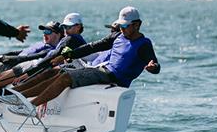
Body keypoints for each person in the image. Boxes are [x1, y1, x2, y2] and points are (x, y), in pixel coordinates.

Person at [12, 6, 160, 107]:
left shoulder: (144, 44)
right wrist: (68, 55)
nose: (122, 29)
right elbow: (92, 47)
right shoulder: (118, 37)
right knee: (57, 72)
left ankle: (30, 107)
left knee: (65, 78)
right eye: (121, 25)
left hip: (115, 78)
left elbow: (155, 66)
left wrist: (152, 67)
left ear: (137, 25)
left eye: (126, 26)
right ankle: (16, 96)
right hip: (102, 70)